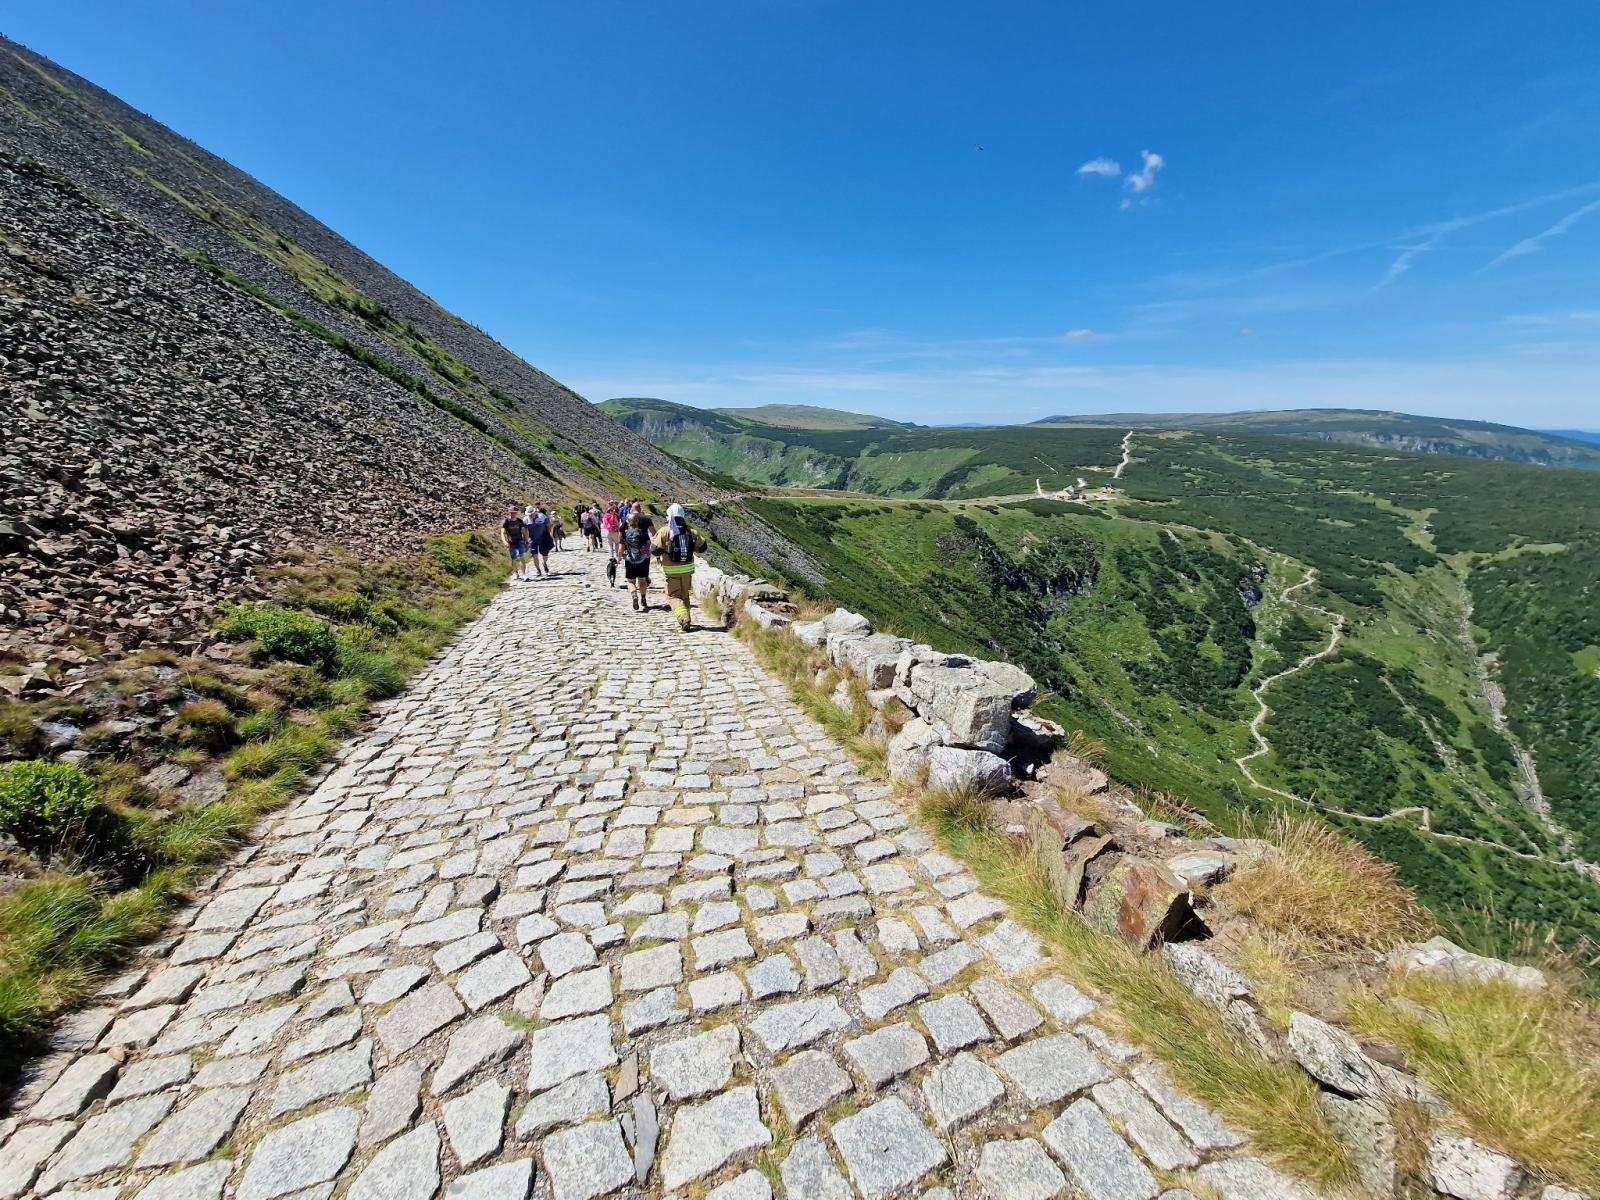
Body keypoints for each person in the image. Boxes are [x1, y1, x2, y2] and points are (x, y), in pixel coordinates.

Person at [654, 502, 707, 631]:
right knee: (684, 595)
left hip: (672, 571)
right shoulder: (690, 531)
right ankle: (687, 618)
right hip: (687, 570)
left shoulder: (665, 531)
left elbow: (655, 550)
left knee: (673, 596)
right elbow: (702, 548)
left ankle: (683, 618)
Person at [619, 508, 655, 612]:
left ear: (628, 522)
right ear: (637, 521)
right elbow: (649, 544)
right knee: (642, 580)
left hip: (630, 560)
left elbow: (621, 548)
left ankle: (634, 595)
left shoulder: (625, 533)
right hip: (642, 560)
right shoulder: (642, 532)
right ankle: (643, 598)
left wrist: (619, 558)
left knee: (631, 582)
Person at [500, 502, 530, 581]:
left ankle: (523, 574)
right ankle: (515, 573)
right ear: (509, 512)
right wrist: (504, 542)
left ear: (516, 513)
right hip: (511, 542)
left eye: (514, 512)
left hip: (519, 541)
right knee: (513, 558)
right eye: (511, 512)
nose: (513, 514)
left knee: (521, 556)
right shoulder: (506, 522)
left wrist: (526, 542)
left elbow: (524, 532)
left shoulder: (520, 521)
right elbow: (502, 533)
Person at [523, 504, 552, 577]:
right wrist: (526, 541)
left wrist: (548, 534)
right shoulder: (525, 520)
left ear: (534, 512)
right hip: (532, 539)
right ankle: (538, 570)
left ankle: (544, 563)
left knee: (545, 554)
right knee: (534, 555)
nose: (530, 515)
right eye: (529, 514)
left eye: (531, 514)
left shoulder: (542, 516)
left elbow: (549, 524)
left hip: (543, 537)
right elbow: (525, 531)